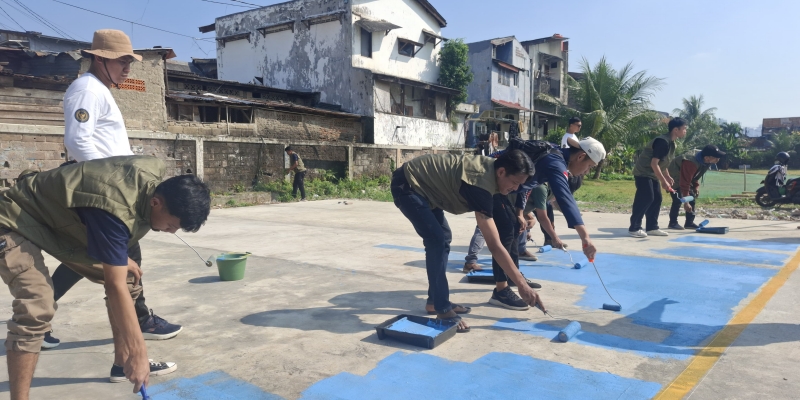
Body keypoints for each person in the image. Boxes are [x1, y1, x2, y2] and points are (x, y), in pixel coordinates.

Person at [0, 156, 211, 400]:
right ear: (156, 202)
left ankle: (122, 364)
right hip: (12, 218)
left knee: (130, 278)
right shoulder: (114, 212)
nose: (171, 232)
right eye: (171, 225)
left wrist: (118, 256)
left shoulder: (153, 169)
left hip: (58, 224)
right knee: (37, 304)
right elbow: (114, 286)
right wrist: (139, 353)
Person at [48, 29, 183, 373]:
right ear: (100, 58)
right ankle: (132, 348)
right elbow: (78, 144)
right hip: (109, 200)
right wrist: (111, 189)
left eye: (129, 61)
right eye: (122, 61)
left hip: (114, 196)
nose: (128, 69)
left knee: (92, 262)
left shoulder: (99, 90)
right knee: (124, 277)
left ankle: (44, 311)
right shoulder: (86, 89)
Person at [391, 150, 546, 332]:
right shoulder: (479, 184)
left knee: (443, 237)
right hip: (408, 185)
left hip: (426, 190)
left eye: (520, 185)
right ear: (502, 172)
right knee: (437, 241)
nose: (515, 188)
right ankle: (442, 308)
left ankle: (434, 301)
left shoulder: (494, 176)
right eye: (514, 183)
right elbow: (494, 245)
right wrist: (522, 285)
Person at [486, 138, 605, 310]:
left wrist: (520, 211)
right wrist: (585, 237)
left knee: (512, 227)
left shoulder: (554, 154)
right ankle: (501, 290)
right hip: (491, 182)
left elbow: (524, 182)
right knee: (505, 230)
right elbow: (565, 198)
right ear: (580, 157)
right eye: (589, 166)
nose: (586, 172)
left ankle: (513, 276)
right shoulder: (555, 163)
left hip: (504, 187)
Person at [628, 117, 687, 238]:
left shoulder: (671, 143)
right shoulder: (662, 142)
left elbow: (662, 163)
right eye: (684, 128)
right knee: (646, 197)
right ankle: (634, 228)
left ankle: (652, 227)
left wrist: (668, 176)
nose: (685, 131)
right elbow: (653, 163)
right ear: (676, 130)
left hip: (652, 174)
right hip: (643, 173)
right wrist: (664, 181)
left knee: (657, 198)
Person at [667, 145, 725, 230]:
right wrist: (686, 202)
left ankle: (689, 223)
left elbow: (695, 174)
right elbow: (684, 182)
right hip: (673, 177)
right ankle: (672, 223)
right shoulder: (690, 162)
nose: (718, 159)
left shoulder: (706, 162)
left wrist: (696, 186)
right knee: (678, 199)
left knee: (692, 198)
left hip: (685, 178)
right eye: (716, 157)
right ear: (707, 157)